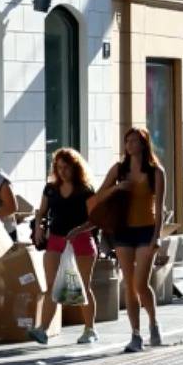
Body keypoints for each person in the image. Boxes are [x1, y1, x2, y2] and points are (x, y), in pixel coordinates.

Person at [95, 127, 166, 353]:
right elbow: (98, 195)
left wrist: (157, 237)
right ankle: (136, 334)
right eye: (128, 141)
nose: (130, 145)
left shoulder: (156, 171)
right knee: (128, 282)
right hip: (123, 230)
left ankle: (153, 322)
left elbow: (161, 207)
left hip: (146, 231)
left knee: (140, 284)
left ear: (144, 144)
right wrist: (117, 187)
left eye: (135, 141)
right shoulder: (119, 170)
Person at [28, 148, 99, 345]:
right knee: (52, 286)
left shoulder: (85, 190)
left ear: (75, 168)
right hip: (56, 240)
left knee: (83, 286)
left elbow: (96, 219)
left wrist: (79, 229)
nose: (62, 172)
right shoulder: (50, 189)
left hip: (81, 241)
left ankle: (90, 328)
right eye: (59, 168)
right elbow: (41, 211)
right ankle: (43, 329)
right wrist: (39, 228)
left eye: (66, 168)